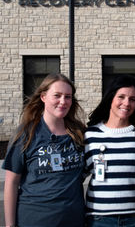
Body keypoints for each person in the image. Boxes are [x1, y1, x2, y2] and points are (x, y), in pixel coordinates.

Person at [2, 73, 86, 227]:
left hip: (73, 220)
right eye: (57, 95)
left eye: (68, 96)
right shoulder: (26, 134)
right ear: (43, 97)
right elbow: (11, 183)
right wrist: (9, 225)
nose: (63, 101)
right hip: (34, 219)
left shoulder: (79, 133)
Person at [84, 75, 135, 227]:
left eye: (132, 99)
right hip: (99, 219)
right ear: (110, 99)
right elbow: (77, 176)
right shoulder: (89, 136)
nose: (126, 103)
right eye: (121, 97)